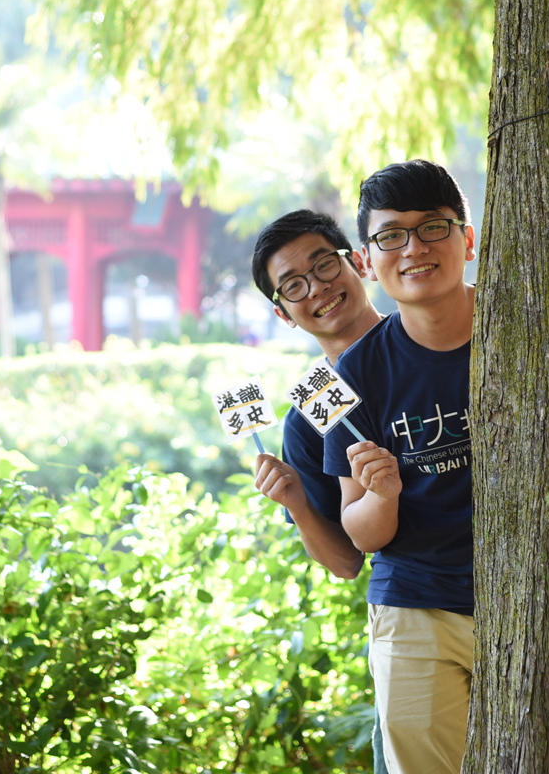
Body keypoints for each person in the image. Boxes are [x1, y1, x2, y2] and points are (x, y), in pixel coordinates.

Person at [322, 160, 477, 774]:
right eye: (391, 236)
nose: (413, 249)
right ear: (368, 258)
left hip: (538, 592)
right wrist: (381, 496)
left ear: (467, 239)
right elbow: (359, 531)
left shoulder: (525, 330)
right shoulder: (352, 376)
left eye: (433, 228)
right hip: (417, 604)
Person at [246, 209, 388, 771]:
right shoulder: (309, 417)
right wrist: (298, 504)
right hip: (414, 607)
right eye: (294, 286)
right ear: (284, 314)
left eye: (324, 265)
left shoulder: (435, 341)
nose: (319, 290)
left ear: (356, 262)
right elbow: (347, 563)